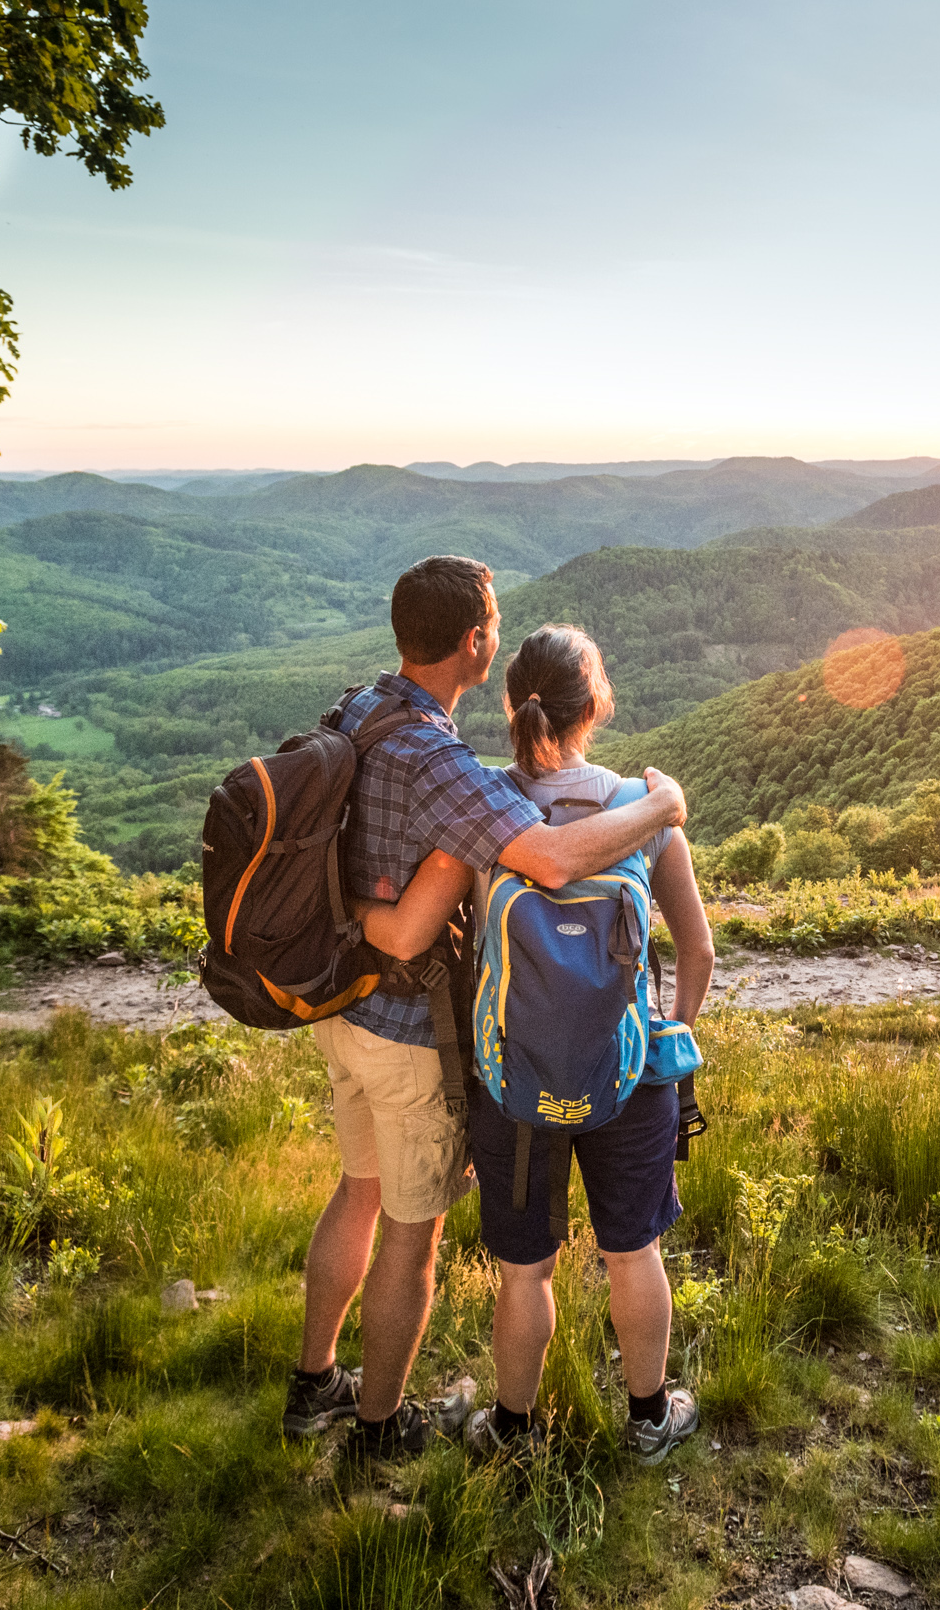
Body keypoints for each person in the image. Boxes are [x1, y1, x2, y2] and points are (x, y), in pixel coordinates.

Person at [282, 558, 688, 1459]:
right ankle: (382, 1429)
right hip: (406, 1031)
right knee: (410, 1239)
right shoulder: (452, 768)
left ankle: (324, 1384)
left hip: (348, 1016)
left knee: (365, 1195)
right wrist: (661, 805)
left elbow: (388, 900)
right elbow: (549, 863)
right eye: (492, 620)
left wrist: (347, 914)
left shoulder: (362, 707)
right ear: (475, 643)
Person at [368, 623, 716, 1465]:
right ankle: (647, 1419)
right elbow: (697, 950)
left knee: (528, 1270)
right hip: (628, 1072)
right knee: (634, 1250)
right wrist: (667, 1037)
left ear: (512, 702)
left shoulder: (486, 804)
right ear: (596, 704)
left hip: (513, 1077)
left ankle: (514, 1429)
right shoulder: (643, 804)